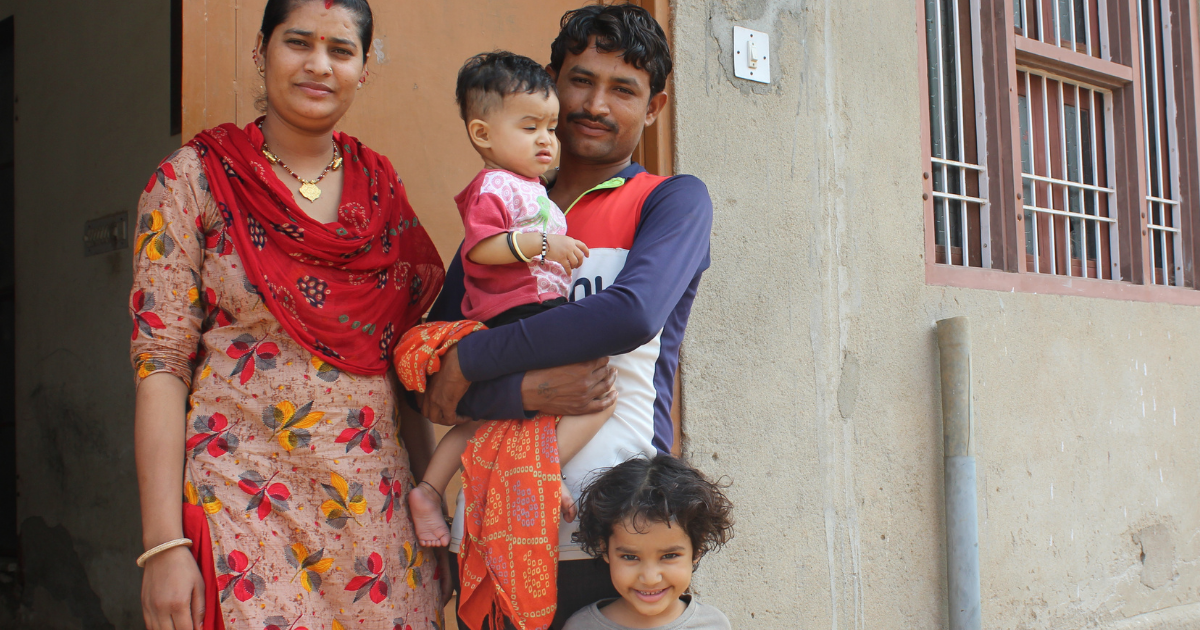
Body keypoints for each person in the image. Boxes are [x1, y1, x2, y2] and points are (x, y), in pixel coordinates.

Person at [130, 2, 448, 629]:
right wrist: (163, 546)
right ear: (261, 51)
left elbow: (405, 367)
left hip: (376, 517)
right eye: (298, 43)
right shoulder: (193, 181)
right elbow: (160, 366)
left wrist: (427, 496)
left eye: (340, 50)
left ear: (363, 69)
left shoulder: (380, 188)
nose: (318, 65)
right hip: (245, 509)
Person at [424, 4, 714, 628]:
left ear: (654, 108)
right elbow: (429, 371)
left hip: (615, 540)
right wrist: (523, 387)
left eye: (623, 89)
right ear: (552, 82)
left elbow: (629, 315)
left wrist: (474, 362)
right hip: (491, 528)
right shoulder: (503, 220)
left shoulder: (670, 201)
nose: (596, 105)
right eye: (580, 80)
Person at [406, 51, 615, 549]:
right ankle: (547, 472)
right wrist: (547, 246)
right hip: (517, 314)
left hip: (531, 311)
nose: (546, 139)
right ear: (483, 135)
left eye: (550, 127)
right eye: (529, 127)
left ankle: (430, 489)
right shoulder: (494, 185)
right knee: (599, 394)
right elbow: (480, 247)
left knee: (490, 421)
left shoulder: (531, 189)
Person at [564, 455, 733, 630]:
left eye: (669, 556)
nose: (650, 579)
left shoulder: (713, 625)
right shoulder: (582, 626)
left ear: (697, 548)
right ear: (604, 548)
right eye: (630, 557)